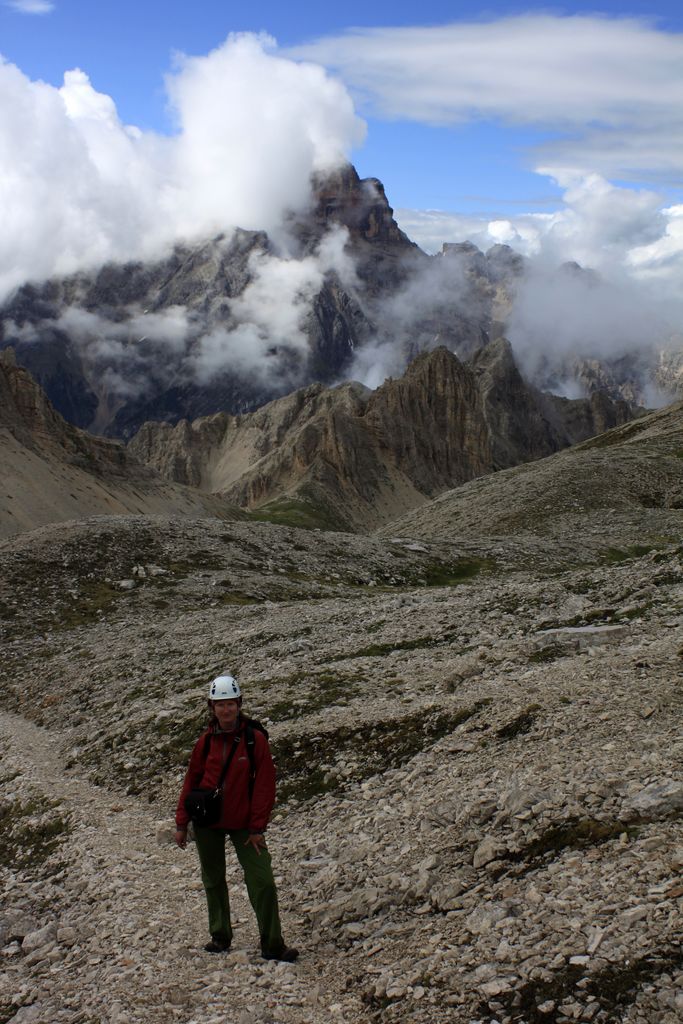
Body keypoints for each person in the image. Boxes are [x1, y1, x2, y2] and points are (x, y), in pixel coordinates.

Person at [175, 673, 298, 962]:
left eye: (230, 704)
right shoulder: (204, 742)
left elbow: (265, 785)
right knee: (213, 879)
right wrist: (182, 823)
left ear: (239, 704)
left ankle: (272, 943)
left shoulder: (255, 740)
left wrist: (257, 827)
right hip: (208, 823)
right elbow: (190, 781)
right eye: (220, 705)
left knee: (263, 880)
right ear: (212, 707)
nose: (226, 710)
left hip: (245, 826)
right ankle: (220, 936)